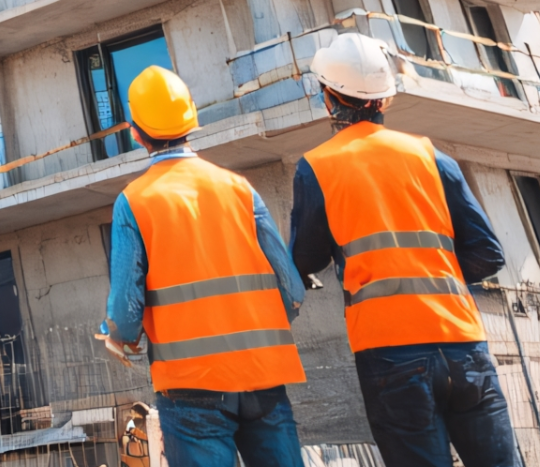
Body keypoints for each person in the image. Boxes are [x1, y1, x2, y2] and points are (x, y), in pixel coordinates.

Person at [290, 31, 514, 467]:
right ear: (385, 99)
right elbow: (488, 253)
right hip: (463, 344)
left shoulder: (317, 166)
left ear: (327, 96)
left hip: (389, 352)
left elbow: (304, 257)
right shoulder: (432, 157)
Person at [99, 66, 306, 467]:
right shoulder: (238, 188)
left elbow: (125, 312)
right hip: (262, 373)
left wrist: (119, 335)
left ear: (135, 131)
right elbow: (292, 291)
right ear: (192, 119)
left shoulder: (134, 201)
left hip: (190, 386)